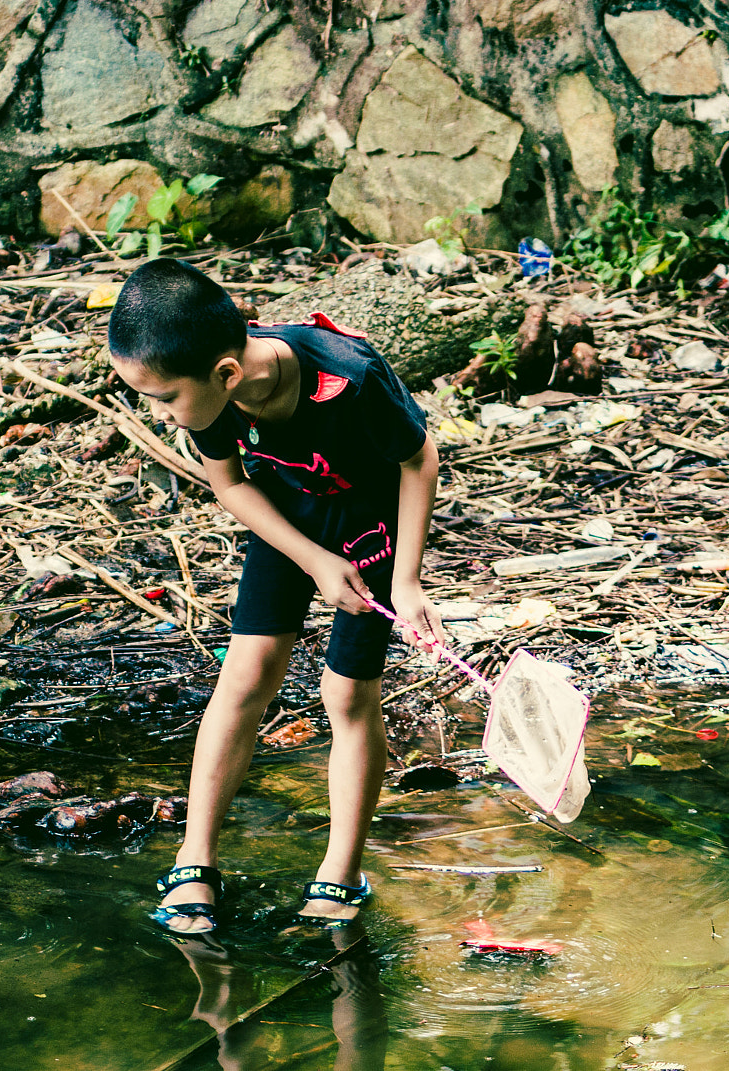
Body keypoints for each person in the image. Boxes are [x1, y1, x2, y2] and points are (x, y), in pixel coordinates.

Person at [105, 258, 445, 931]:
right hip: (290, 521)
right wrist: (314, 558)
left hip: (371, 522)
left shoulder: (349, 379)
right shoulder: (202, 387)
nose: (162, 415)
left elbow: (419, 459)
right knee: (246, 675)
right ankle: (196, 859)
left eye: (164, 398)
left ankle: (340, 871)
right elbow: (231, 483)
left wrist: (404, 581)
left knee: (347, 694)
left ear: (228, 375)